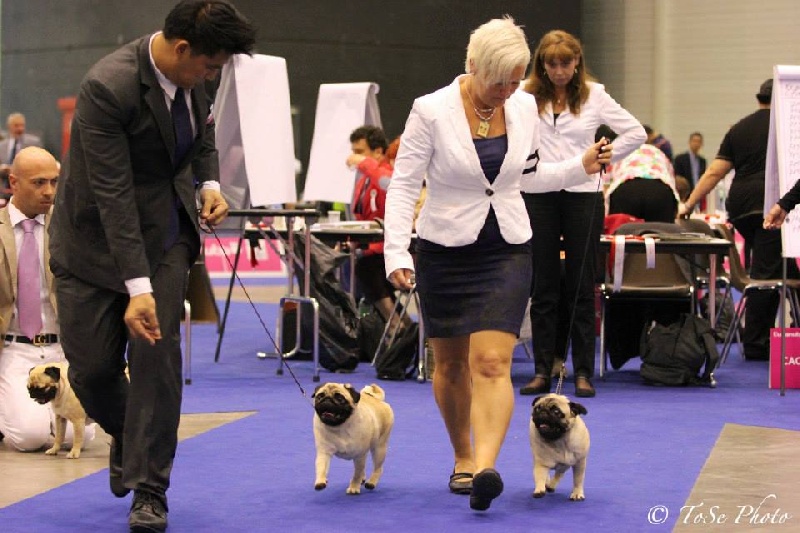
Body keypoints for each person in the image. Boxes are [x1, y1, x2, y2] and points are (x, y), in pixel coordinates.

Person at [383, 17, 610, 512]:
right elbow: (403, 185)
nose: (508, 91)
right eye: (498, 82)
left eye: (514, 80)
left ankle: (486, 468)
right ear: (472, 66)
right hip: (443, 249)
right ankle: (462, 457)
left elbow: (528, 176)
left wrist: (579, 167)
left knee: (491, 362)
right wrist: (396, 251)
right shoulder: (430, 110)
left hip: (506, 247)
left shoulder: (524, 105)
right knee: (449, 364)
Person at [48, 2, 255, 530]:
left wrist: (209, 182)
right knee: (92, 371)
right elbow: (113, 194)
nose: (212, 78)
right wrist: (135, 287)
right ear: (182, 49)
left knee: (156, 361)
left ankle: (150, 489)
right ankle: (130, 435)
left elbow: (201, 135)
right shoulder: (108, 87)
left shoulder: (194, 79)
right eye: (210, 67)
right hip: (91, 242)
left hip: (165, 236)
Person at [520, 29, 645, 398]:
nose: (559, 71)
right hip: (538, 193)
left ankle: (584, 372)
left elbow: (635, 133)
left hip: (583, 195)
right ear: (542, 65)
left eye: (566, 64)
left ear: (577, 63)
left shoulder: (595, 95)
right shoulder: (524, 96)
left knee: (581, 285)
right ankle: (542, 370)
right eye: (552, 64)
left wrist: (606, 155)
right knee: (543, 286)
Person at [680, 79, 799, 360]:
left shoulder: (739, 128)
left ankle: (774, 337)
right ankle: (756, 343)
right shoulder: (788, 128)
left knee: (781, 269)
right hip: (772, 204)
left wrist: (688, 204)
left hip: (742, 208)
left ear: (759, 99)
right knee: (766, 275)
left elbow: (714, 172)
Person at [0, 147, 96, 451]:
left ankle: (29, 411)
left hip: (61, 351)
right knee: (27, 438)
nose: (49, 191)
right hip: (13, 350)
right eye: (39, 183)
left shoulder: (70, 227)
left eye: (54, 182)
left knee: (75, 437)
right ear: (13, 183)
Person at [346, 125, 405, 326]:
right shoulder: (363, 180)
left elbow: (386, 183)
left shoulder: (387, 174)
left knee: (366, 269)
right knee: (352, 266)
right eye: (354, 151)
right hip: (372, 249)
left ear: (378, 151)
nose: (354, 156)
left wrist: (364, 163)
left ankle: (397, 326)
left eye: (360, 151)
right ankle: (401, 326)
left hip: (395, 249)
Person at [606, 143, 680, 222]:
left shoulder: (617, 153)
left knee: (622, 228)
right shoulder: (657, 152)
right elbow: (671, 178)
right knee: (661, 229)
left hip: (626, 190)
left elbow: (605, 185)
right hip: (660, 190)